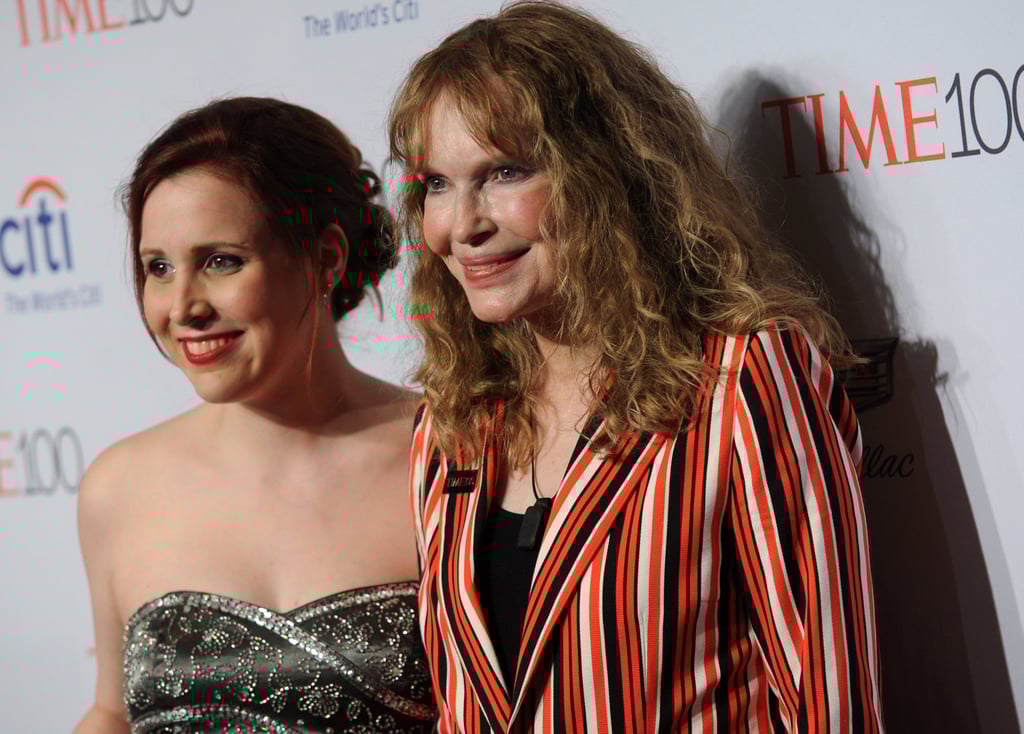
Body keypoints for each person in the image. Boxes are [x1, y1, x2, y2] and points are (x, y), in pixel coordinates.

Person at [389, 2, 885, 732]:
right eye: (436, 183)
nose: (461, 226)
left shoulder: (740, 375)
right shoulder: (453, 422)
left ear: (603, 172)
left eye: (504, 172)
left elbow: (829, 700)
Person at [74, 97, 437, 734]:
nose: (182, 305)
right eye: (158, 267)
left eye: (221, 261)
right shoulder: (118, 487)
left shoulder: (448, 454)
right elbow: (110, 712)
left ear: (326, 258)